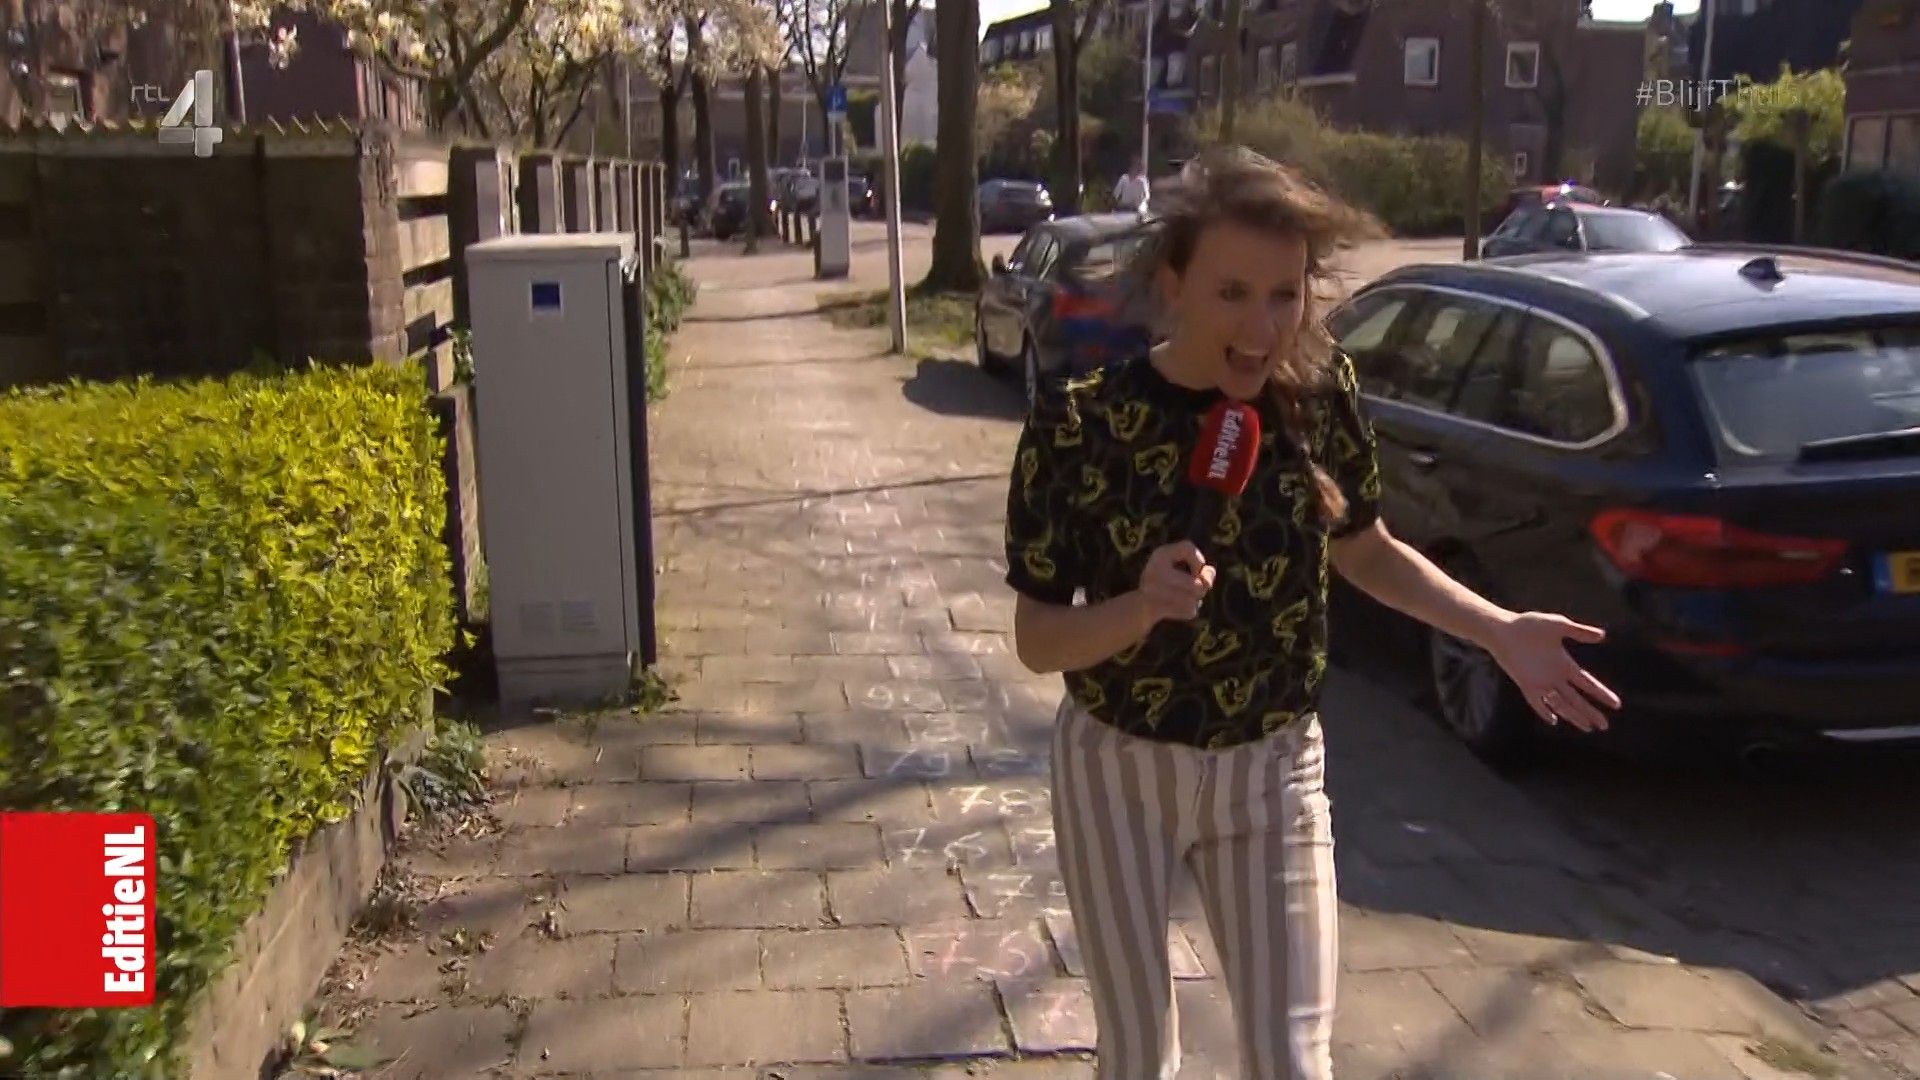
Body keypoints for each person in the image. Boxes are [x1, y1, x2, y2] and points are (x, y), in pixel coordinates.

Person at [1001, 145, 1621, 1080]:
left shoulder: (1321, 404)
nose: (1263, 328)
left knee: (1292, 1058)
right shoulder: (1082, 422)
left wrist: (1496, 629)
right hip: (1118, 768)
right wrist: (1137, 608)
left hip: (1274, 771)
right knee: (1137, 1054)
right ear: (1173, 284)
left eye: (1284, 295)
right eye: (1232, 293)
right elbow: (1037, 639)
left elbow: (1365, 550)